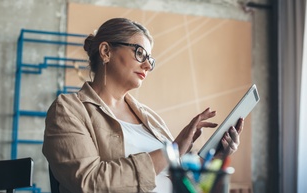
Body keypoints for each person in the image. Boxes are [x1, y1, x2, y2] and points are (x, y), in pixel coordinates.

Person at [42, 17, 244, 193]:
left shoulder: (150, 117)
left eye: (150, 59)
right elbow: (90, 182)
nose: (147, 65)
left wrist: (217, 157)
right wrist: (170, 150)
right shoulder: (68, 110)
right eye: (140, 53)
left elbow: (179, 179)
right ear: (106, 51)